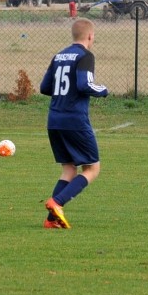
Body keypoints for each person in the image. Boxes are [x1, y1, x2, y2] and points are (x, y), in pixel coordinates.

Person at [39, 18, 108, 229]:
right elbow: (84, 84)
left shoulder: (59, 55)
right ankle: (57, 202)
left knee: (69, 170)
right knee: (93, 168)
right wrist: (102, 90)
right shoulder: (85, 56)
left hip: (54, 119)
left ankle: (51, 220)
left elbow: (44, 87)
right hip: (74, 120)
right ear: (90, 36)